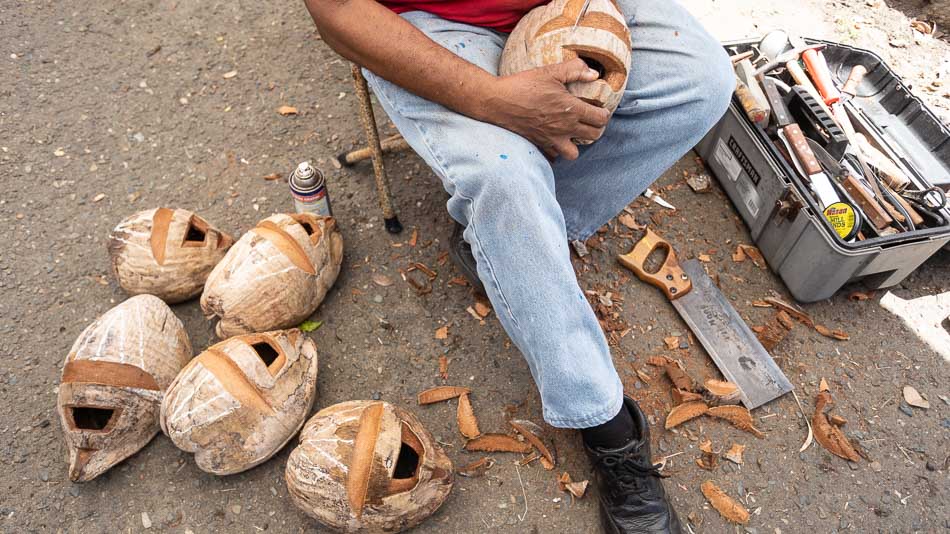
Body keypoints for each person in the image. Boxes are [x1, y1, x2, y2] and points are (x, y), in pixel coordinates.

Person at [304, 1, 733, 532]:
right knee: (506, 180)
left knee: (701, 81)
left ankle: (513, 236)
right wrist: (494, 101)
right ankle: (608, 427)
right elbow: (338, 13)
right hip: (430, 23)